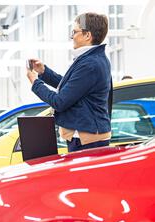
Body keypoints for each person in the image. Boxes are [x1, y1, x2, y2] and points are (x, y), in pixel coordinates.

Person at [27, 12, 111, 152]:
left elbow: (59, 101)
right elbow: (72, 87)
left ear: (87, 35)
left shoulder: (89, 64)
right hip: (86, 135)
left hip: (87, 138)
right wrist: (44, 72)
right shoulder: (92, 59)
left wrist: (35, 83)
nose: (72, 37)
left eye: (74, 32)